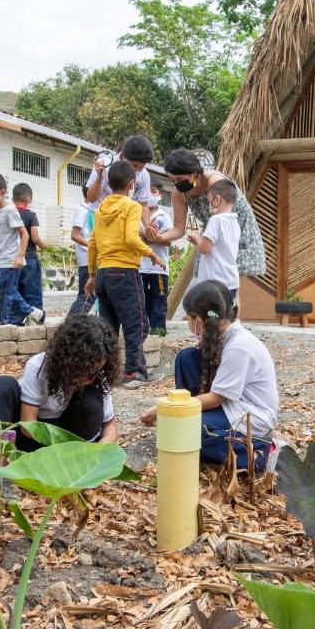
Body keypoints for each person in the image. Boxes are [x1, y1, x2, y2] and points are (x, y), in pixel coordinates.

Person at [140, 280, 278, 470]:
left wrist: (168, 410)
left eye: (188, 318)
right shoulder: (222, 335)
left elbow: (217, 398)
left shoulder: (240, 347)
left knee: (186, 433)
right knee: (186, 357)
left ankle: (260, 450)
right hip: (229, 405)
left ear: (198, 320)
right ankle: (191, 421)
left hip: (249, 414)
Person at [0, 315, 119, 451]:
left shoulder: (98, 378)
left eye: (96, 371)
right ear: (70, 362)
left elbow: (110, 427)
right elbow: (27, 426)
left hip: (70, 445)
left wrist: (100, 448)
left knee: (91, 400)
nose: (91, 378)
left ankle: (78, 462)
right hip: (33, 437)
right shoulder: (38, 366)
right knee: (3, 385)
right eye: (85, 371)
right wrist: (55, 447)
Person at [86, 161, 166, 386]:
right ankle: (134, 372)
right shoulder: (131, 207)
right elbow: (132, 238)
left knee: (108, 327)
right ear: (132, 184)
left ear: (109, 184)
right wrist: (152, 254)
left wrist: (92, 276)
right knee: (137, 323)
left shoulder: (101, 208)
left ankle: (105, 374)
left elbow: (93, 244)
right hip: (124, 272)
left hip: (103, 274)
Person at [153, 148, 266, 280]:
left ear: (194, 172)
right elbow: (178, 229)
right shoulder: (179, 193)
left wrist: (202, 242)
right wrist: (160, 237)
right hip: (213, 232)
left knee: (227, 284)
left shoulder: (215, 183)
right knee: (209, 283)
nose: (177, 184)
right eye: (173, 180)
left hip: (237, 231)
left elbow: (223, 220)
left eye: (180, 179)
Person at [0, 173, 45, 326]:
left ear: (2, 192)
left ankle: (3, 322)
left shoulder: (10, 211)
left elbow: (24, 234)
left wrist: (20, 257)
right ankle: (33, 312)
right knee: (8, 293)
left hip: (10, 261)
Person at [187, 179, 241, 304]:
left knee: (210, 316)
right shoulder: (235, 222)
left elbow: (205, 248)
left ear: (217, 199)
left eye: (210, 200)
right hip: (231, 280)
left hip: (213, 281)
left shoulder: (216, 220)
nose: (209, 204)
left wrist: (197, 238)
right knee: (227, 315)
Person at [85, 135, 154, 228]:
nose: (136, 170)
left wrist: (148, 227)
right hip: (98, 216)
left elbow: (143, 205)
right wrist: (99, 177)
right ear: (123, 156)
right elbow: (91, 198)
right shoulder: (104, 164)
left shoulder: (144, 175)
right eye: (134, 165)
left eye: (141, 167)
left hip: (120, 220)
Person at [140, 186, 173, 335]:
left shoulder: (163, 216)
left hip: (160, 269)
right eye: (147, 191)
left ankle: (159, 333)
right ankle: (144, 332)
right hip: (139, 267)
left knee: (159, 301)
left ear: (160, 194)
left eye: (153, 191)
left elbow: (168, 241)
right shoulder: (136, 213)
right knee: (141, 301)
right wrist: (153, 235)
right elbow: (133, 237)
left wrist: (148, 236)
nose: (150, 194)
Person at [12, 183, 46, 311]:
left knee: (16, 291)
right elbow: (35, 238)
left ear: (13, 200)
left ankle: (15, 320)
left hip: (14, 259)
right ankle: (35, 320)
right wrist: (43, 245)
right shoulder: (31, 215)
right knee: (33, 293)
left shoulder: (11, 214)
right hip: (30, 259)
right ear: (29, 200)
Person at [68, 200, 96, 315]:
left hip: (93, 258)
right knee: (87, 295)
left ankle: (70, 325)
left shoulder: (91, 211)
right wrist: (93, 247)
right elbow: (75, 235)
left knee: (88, 295)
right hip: (87, 259)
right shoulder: (83, 211)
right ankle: (73, 325)